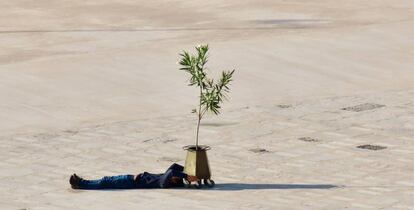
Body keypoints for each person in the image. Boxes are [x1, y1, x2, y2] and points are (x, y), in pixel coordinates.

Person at [69, 163, 199, 189]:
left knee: (105, 181)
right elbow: (174, 167)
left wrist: (186, 176)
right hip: (129, 177)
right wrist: (190, 172)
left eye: (177, 178)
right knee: (106, 179)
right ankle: (81, 181)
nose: (175, 177)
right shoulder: (165, 177)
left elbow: (172, 173)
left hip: (129, 182)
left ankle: (80, 183)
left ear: (174, 181)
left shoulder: (163, 183)